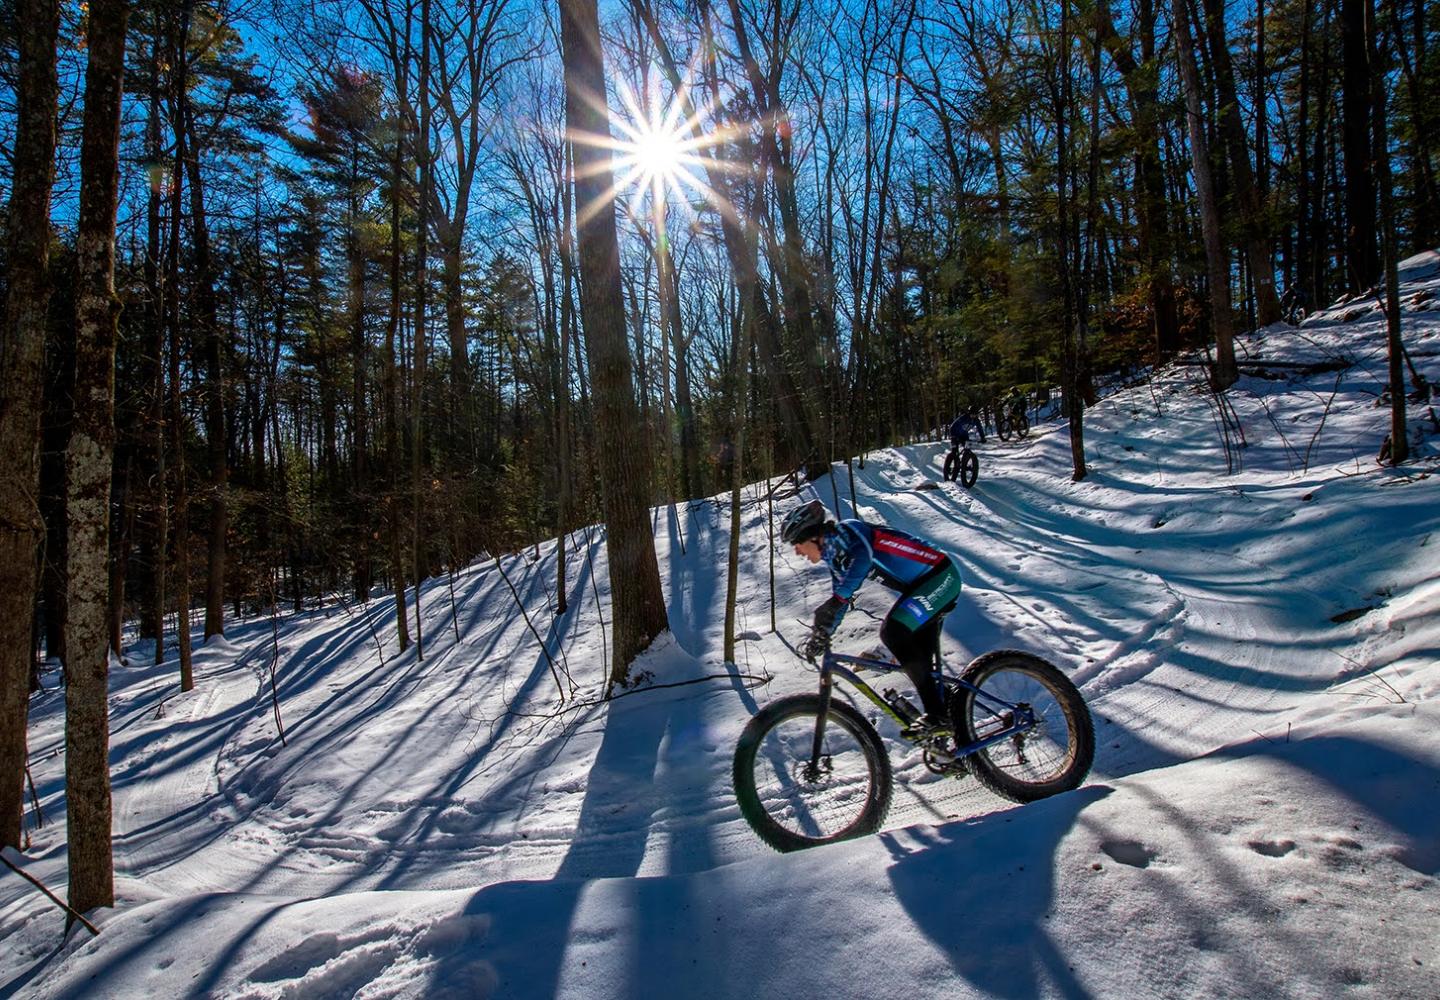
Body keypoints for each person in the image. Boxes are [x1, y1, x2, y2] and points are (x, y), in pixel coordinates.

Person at [780, 499, 963, 732]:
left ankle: (939, 716)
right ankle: (959, 739)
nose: (797, 551)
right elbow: (842, 599)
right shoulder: (836, 559)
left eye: (797, 543)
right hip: (923, 587)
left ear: (813, 535)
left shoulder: (850, 530)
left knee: (893, 632)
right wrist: (822, 633)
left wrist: (834, 602)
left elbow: (863, 559)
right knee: (921, 670)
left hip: (940, 576)